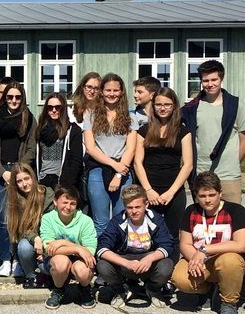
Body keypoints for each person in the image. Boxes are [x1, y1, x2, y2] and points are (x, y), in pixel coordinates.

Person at [170, 172, 245, 314]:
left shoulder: (236, 210)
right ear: (196, 195)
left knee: (230, 261)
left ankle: (229, 303)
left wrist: (204, 250)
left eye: (212, 195)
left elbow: (241, 244)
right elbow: (185, 243)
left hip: (225, 261)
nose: (207, 200)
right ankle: (207, 290)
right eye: (202, 196)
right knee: (179, 278)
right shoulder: (191, 211)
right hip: (200, 261)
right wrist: (195, 260)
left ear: (220, 193)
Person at [181, 60, 245, 205]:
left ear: (221, 79)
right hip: (201, 173)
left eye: (214, 79)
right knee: (203, 217)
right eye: (205, 80)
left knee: (232, 215)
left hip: (229, 175)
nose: (210, 84)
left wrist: (232, 162)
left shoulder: (235, 105)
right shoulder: (192, 108)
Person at [94, 184, 176, 305]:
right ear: (125, 207)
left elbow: (167, 245)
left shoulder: (156, 219)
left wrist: (149, 259)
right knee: (102, 265)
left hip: (148, 261)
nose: (134, 211)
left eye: (138, 207)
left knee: (167, 264)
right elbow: (102, 248)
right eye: (129, 207)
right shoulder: (117, 221)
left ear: (146, 204)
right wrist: (126, 263)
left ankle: (152, 289)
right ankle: (121, 290)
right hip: (125, 261)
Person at [133, 87, 192, 247]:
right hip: (149, 190)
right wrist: (148, 190)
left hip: (174, 191)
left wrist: (171, 192)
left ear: (174, 106)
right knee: (147, 234)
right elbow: (137, 162)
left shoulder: (183, 132)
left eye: (167, 104)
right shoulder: (143, 131)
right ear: (153, 106)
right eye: (159, 104)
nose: (163, 108)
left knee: (173, 235)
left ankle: (171, 262)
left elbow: (188, 165)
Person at [0, 80, 36, 276]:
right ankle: (5, 259)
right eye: (10, 97)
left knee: (19, 218)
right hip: (0, 173)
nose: (14, 100)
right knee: (3, 219)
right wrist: (3, 172)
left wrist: (17, 172)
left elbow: (31, 148)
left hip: (20, 171)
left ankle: (18, 260)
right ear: (4, 98)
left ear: (22, 98)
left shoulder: (28, 117)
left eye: (17, 97)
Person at [82, 73, 138, 235]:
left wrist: (119, 174)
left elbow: (131, 148)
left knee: (122, 220)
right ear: (101, 91)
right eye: (108, 90)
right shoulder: (91, 116)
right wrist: (114, 165)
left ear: (121, 92)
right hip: (98, 171)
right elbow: (90, 147)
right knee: (101, 221)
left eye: (115, 90)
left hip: (123, 172)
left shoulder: (130, 117)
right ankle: (102, 251)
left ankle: (120, 250)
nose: (111, 94)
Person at [39, 187, 97, 310]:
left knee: (83, 271)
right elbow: (49, 249)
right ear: (55, 202)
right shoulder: (47, 218)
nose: (68, 207)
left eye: (72, 203)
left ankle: (84, 288)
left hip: (79, 260)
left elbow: (89, 251)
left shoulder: (86, 221)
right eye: (64, 202)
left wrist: (62, 242)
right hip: (56, 260)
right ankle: (58, 289)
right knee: (61, 262)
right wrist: (77, 249)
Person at [5, 164, 53, 288]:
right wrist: (35, 238)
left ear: (33, 177)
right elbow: (22, 228)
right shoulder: (16, 199)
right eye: (19, 181)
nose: (24, 184)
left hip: (49, 239)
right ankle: (30, 276)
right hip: (30, 240)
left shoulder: (47, 194)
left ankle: (47, 274)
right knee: (24, 247)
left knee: (47, 268)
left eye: (27, 178)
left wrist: (44, 249)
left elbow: (54, 224)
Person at [34, 92, 83, 191]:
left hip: (61, 181)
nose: (54, 110)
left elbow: (76, 160)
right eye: (50, 107)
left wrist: (68, 184)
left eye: (57, 107)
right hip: (42, 179)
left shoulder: (73, 130)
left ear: (63, 108)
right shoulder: (40, 129)